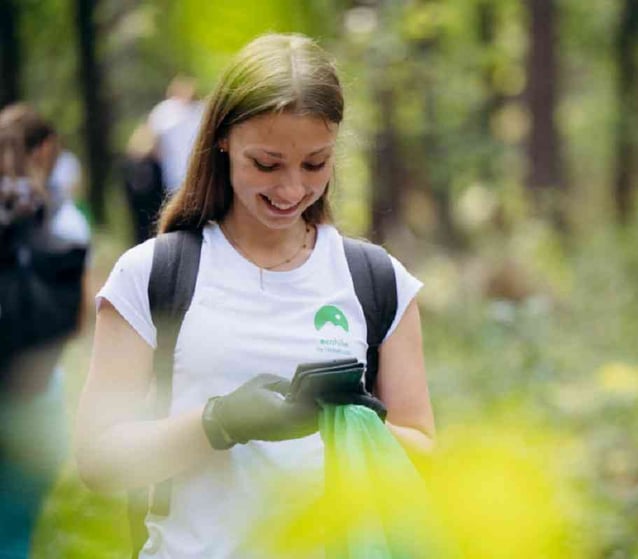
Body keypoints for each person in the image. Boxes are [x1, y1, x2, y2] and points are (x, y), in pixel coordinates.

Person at [75, 33, 435, 559]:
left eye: (315, 164)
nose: (291, 189)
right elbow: (97, 461)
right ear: (221, 139)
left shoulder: (377, 280)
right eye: (267, 164)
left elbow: (425, 451)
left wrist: (362, 421)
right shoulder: (153, 274)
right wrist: (219, 422)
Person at [0, 105, 88, 558]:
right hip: (34, 387)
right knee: (15, 526)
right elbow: (76, 318)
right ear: (46, 149)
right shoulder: (61, 219)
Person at [147, 76, 205, 195]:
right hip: (174, 175)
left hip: (200, 173)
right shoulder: (164, 111)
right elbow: (154, 142)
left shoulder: (201, 110)